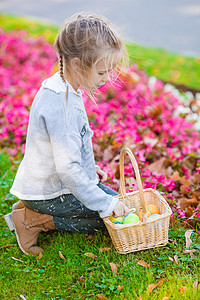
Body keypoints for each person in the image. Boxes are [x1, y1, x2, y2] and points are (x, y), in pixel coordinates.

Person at [4, 12, 130, 256]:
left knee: (117, 204)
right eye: (102, 72)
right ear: (76, 63)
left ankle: (32, 209)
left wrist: (88, 169)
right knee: (106, 220)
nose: (107, 80)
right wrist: (105, 204)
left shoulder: (64, 86)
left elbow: (66, 151)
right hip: (49, 192)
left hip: (55, 185)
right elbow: (67, 169)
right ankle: (33, 220)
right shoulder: (61, 105)